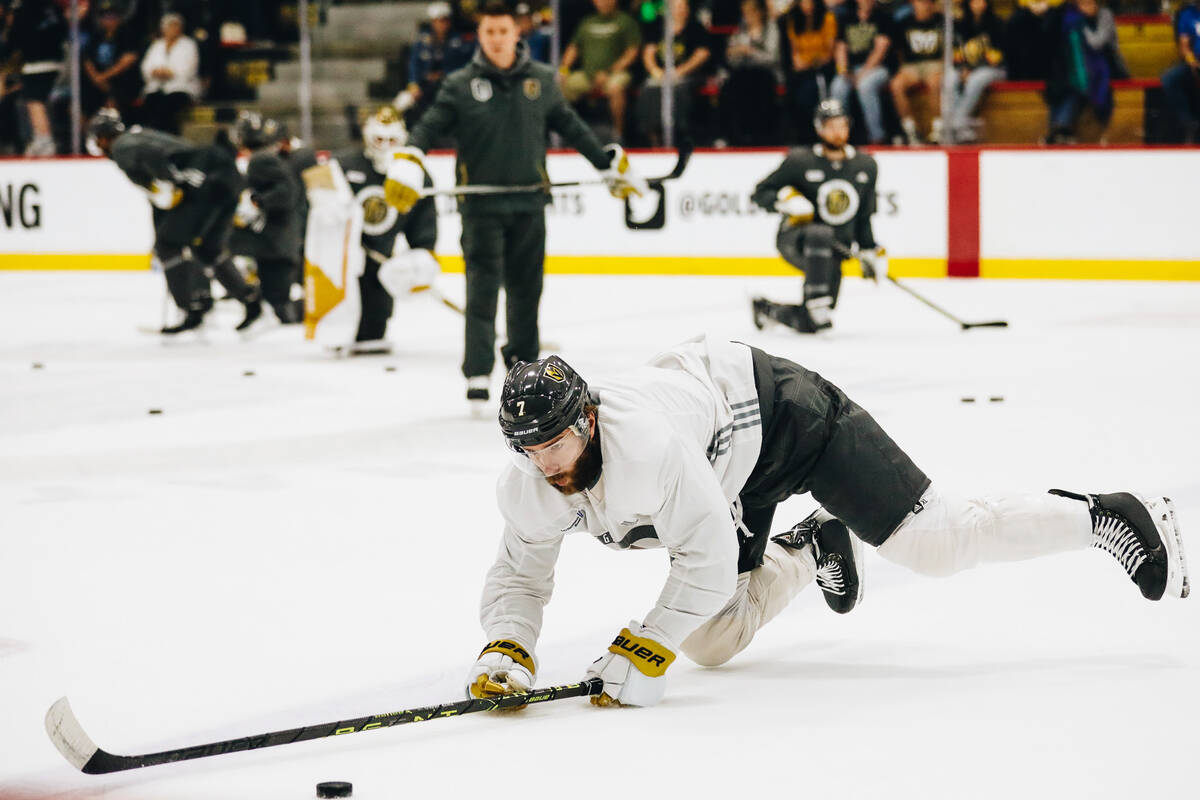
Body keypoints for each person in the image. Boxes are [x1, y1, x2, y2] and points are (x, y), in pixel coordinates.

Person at [464, 338, 1189, 708]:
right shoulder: (532, 477)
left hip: (784, 417)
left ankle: (1105, 517)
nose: (545, 462)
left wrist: (646, 646)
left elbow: (705, 555)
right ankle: (811, 547)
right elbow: (520, 570)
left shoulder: (646, 449)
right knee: (713, 641)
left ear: (588, 418)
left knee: (936, 544)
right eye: (527, 449)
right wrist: (507, 647)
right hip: (724, 459)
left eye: (555, 442)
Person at [383, 0, 645, 404]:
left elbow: (572, 128)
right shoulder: (459, 84)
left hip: (529, 205)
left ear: (516, 32)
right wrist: (408, 158)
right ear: (480, 36)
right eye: (489, 32)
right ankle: (477, 372)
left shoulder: (541, 81)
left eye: (503, 31)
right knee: (482, 291)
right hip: (481, 210)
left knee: (527, 290)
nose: (497, 39)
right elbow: (428, 127)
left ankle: (523, 366)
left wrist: (606, 164)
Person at [87, 108, 261, 335]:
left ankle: (191, 309)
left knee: (168, 245)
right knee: (207, 247)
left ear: (103, 137)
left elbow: (154, 160)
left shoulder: (122, 147)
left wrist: (170, 181)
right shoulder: (140, 134)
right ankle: (250, 300)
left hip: (204, 181)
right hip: (224, 176)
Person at [749, 98, 883, 334]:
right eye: (831, 126)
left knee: (812, 322)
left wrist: (869, 250)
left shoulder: (866, 166)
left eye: (842, 125)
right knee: (819, 233)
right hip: (796, 239)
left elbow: (864, 215)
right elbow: (760, 193)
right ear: (819, 128)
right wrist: (784, 202)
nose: (838, 132)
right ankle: (816, 302)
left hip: (835, 249)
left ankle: (766, 310)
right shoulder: (800, 161)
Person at [335, 105, 438, 352]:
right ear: (367, 136)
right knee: (339, 321)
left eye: (392, 140)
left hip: (381, 258)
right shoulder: (343, 166)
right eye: (379, 139)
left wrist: (418, 258)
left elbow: (423, 229)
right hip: (344, 259)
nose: (384, 145)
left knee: (373, 332)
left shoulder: (415, 177)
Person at [228, 110, 305, 326]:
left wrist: (257, 201)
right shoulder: (265, 158)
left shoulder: (261, 160)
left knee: (280, 308)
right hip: (276, 244)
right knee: (277, 303)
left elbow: (288, 192)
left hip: (277, 244)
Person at [1043, 0, 1126, 145]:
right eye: (1083, 4)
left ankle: (1060, 127)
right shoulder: (1069, 17)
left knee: (1079, 85)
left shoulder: (1104, 15)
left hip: (1107, 64)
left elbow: (1097, 43)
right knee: (1063, 86)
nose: (1087, 7)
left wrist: (1081, 26)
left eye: (1090, 3)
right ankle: (1059, 128)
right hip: (1080, 66)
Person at [558, 0, 642, 142]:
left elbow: (632, 52)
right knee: (559, 88)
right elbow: (573, 48)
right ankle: (564, 135)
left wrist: (609, 72)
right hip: (587, 74)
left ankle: (618, 134)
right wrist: (564, 70)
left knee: (616, 88)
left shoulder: (626, 21)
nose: (602, 3)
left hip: (616, 73)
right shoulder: (587, 22)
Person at [635, 0, 712, 146]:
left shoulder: (695, 27)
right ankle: (653, 136)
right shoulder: (659, 27)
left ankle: (680, 135)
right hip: (661, 74)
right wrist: (654, 70)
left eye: (683, 6)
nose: (681, 10)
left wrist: (679, 71)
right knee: (648, 89)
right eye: (677, 7)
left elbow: (703, 53)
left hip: (687, 74)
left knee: (678, 90)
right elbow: (648, 52)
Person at [394, 2, 473, 127]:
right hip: (425, 85)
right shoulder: (423, 40)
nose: (442, 24)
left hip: (449, 83)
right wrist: (413, 83)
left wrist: (443, 74)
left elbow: (463, 64)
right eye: (438, 21)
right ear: (433, 22)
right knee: (404, 101)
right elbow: (415, 63)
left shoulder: (458, 40)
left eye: (445, 20)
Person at [719, 0, 782, 146]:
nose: (747, 16)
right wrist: (737, 52)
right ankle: (735, 136)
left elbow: (772, 58)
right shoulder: (741, 30)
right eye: (744, 13)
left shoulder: (770, 29)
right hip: (743, 72)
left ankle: (760, 135)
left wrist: (750, 52)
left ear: (759, 12)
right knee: (731, 86)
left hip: (766, 73)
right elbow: (730, 57)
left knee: (757, 85)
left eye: (750, 12)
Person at [829, 0, 892, 145]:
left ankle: (876, 136)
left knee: (866, 86)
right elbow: (840, 48)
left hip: (878, 68)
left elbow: (880, 51)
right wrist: (843, 70)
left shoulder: (883, 18)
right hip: (852, 69)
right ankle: (840, 135)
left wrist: (862, 75)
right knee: (837, 87)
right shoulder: (847, 18)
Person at [779, 0, 838, 145]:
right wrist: (802, 63)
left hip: (822, 68)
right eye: (804, 2)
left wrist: (811, 63)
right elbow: (794, 53)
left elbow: (829, 54)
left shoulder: (827, 18)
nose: (808, 6)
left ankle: (814, 136)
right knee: (791, 88)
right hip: (801, 69)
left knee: (809, 92)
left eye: (810, 2)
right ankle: (797, 135)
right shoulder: (793, 20)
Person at [948, 0, 1006, 143]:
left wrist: (972, 70)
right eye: (975, 1)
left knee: (976, 80)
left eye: (982, 1)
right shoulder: (961, 25)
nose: (979, 5)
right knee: (950, 78)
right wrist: (963, 69)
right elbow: (956, 54)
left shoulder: (997, 24)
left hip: (995, 69)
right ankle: (960, 128)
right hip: (967, 68)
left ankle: (955, 123)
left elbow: (998, 57)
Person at [889, 0, 945, 144]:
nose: (925, 6)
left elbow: (949, 47)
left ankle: (938, 129)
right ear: (913, 4)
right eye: (921, 2)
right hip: (911, 65)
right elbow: (899, 51)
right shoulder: (904, 23)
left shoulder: (941, 21)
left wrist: (943, 65)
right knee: (896, 85)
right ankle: (911, 130)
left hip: (935, 63)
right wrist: (903, 68)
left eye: (928, 3)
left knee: (935, 83)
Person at [140, 12, 200, 135]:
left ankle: (169, 135)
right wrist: (155, 72)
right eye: (169, 26)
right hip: (157, 85)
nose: (173, 29)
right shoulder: (157, 44)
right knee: (151, 101)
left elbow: (189, 69)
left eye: (175, 26)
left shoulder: (188, 45)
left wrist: (170, 72)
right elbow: (146, 66)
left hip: (180, 87)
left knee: (168, 105)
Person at [80, 1, 142, 119]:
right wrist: (96, 78)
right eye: (105, 16)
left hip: (119, 82)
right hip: (95, 82)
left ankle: (111, 133)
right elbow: (87, 59)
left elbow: (128, 60)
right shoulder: (96, 35)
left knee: (113, 100)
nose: (108, 20)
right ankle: (88, 136)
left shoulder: (127, 34)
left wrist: (103, 77)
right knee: (79, 102)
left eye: (112, 16)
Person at [1161, 0, 1200, 144]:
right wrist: (1191, 61)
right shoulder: (1188, 13)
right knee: (1169, 78)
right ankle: (1189, 124)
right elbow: (1184, 44)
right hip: (1195, 62)